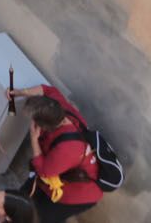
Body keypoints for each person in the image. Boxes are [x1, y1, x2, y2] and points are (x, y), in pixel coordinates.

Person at [10, 84, 105, 222]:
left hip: (77, 192)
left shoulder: (67, 149)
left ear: (44, 127)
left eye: (33, 120)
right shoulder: (56, 108)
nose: (31, 122)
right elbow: (47, 90)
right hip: (58, 174)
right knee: (21, 199)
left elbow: (44, 171)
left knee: (39, 217)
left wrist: (34, 139)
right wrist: (19, 92)